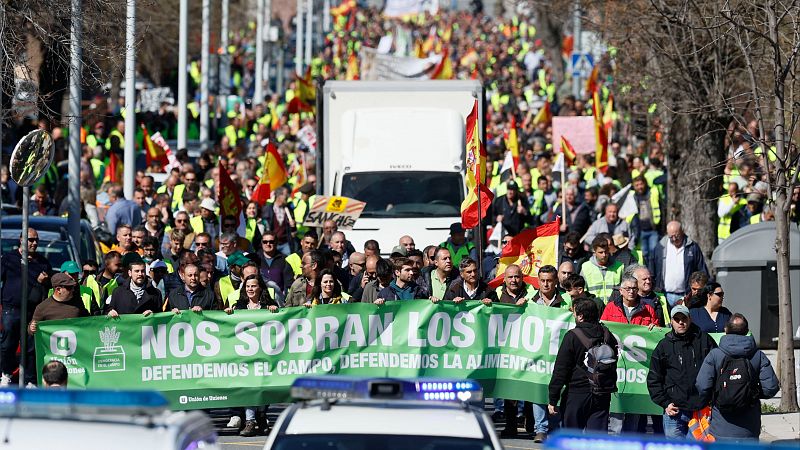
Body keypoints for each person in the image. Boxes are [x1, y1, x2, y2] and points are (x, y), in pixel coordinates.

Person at [695, 314, 780, 441]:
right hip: (749, 427)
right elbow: (771, 387)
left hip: (721, 426)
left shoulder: (715, 355)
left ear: (726, 330)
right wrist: (751, 394)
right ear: (747, 331)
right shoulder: (758, 355)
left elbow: (702, 386)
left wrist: (716, 397)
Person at [647, 305, 717, 439]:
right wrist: (665, 403)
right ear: (671, 322)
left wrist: (711, 399)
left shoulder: (705, 340)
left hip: (701, 410)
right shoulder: (663, 346)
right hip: (675, 411)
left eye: (683, 318)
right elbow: (654, 379)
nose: (681, 322)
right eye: (677, 319)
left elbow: (717, 371)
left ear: (689, 319)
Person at [548, 298, 618, 432]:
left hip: (576, 393)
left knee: (571, 439)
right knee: (596, 440)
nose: (573, 315)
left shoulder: (572, 336)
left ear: (580, 316)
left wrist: (553, 398)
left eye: (574, 312)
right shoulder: (607, 334)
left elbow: (561, 370)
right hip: (602, 393)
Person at [601, 273, 658, 434]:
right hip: (617, 366)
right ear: (621, 290)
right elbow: (603, 330)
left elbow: (656, 334)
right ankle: (614, 441)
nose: (631, 291)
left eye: (634, 288)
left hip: (638, 368)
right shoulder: (611, 307)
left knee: (634, 412)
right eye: (628, 288)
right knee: (616, 411)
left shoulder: (648, 310)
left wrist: (653, 329)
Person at [222, 274, 277, 436]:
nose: (250, 289)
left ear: (260, 287)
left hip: (265, 355)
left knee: (263, 388)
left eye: (253, 286)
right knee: (249, 387)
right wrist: (229, 313)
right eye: (248, 286)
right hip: (245, 357)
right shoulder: (239, 307)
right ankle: (250, 421)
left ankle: (261, 415)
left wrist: (274, 311)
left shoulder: (269, 305)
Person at [0, 228, 52, 386]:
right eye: (30, 240)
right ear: (21, 240)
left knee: (30, 347)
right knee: (8, 344)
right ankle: (5, 373)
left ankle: (30, 380)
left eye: (36, 240)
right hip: (12, 308)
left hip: (32, 311)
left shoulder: (42, 263)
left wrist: (43, 281)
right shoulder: (8, 259)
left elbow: (49, 287)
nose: (34, 243)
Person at [653, 221, 709, 306]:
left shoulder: (692, 247)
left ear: (682, 231)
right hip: (665, 295)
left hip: (686, 295)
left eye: (677, 236)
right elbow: (652, 269)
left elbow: (702, 270)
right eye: (671, 237)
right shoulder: (660, 247)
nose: (674, 239)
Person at [29, 272, 90, 338]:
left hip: (76, 344)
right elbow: (32, 330)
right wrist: (31, 328)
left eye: (73, 287)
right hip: (54, 346)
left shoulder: (77, 302)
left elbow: (87, 320)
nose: (73, 290)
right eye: (69, 287)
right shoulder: (42, 307)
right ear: (58, 290)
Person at [580, 236, 623, 304]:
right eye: (601, 252)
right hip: (594, 308)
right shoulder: (586, 267)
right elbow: (582, 291)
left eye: (606, 252)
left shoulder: (619, 266)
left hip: (614, 307)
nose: (604, 255)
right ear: (594, 251)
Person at [631, 175, 662, 267]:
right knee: (644, 254)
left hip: (653, 229)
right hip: (640, 230)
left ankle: (655, 272)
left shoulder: (652, 194)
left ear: (645, 183)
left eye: (641, 184)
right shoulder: (633, 197)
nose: (639, 187)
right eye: (637, 185)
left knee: (654, 252)